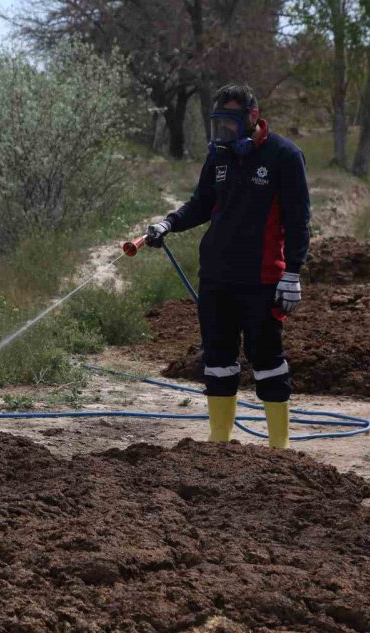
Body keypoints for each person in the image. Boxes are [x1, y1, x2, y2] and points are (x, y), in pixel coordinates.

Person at [145, 83, 310, 449]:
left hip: (262, 278)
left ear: (253, 116)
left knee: (267, 360)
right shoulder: (218, 156)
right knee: (217, 359)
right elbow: (202, 203)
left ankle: (279, 448)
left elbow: (299, 220)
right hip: (216, 278)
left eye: (232, 121)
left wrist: (293, 273)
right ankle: (219, 443)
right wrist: (168, 223)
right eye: (220, 121)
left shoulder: (285, 156)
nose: (226, 130)